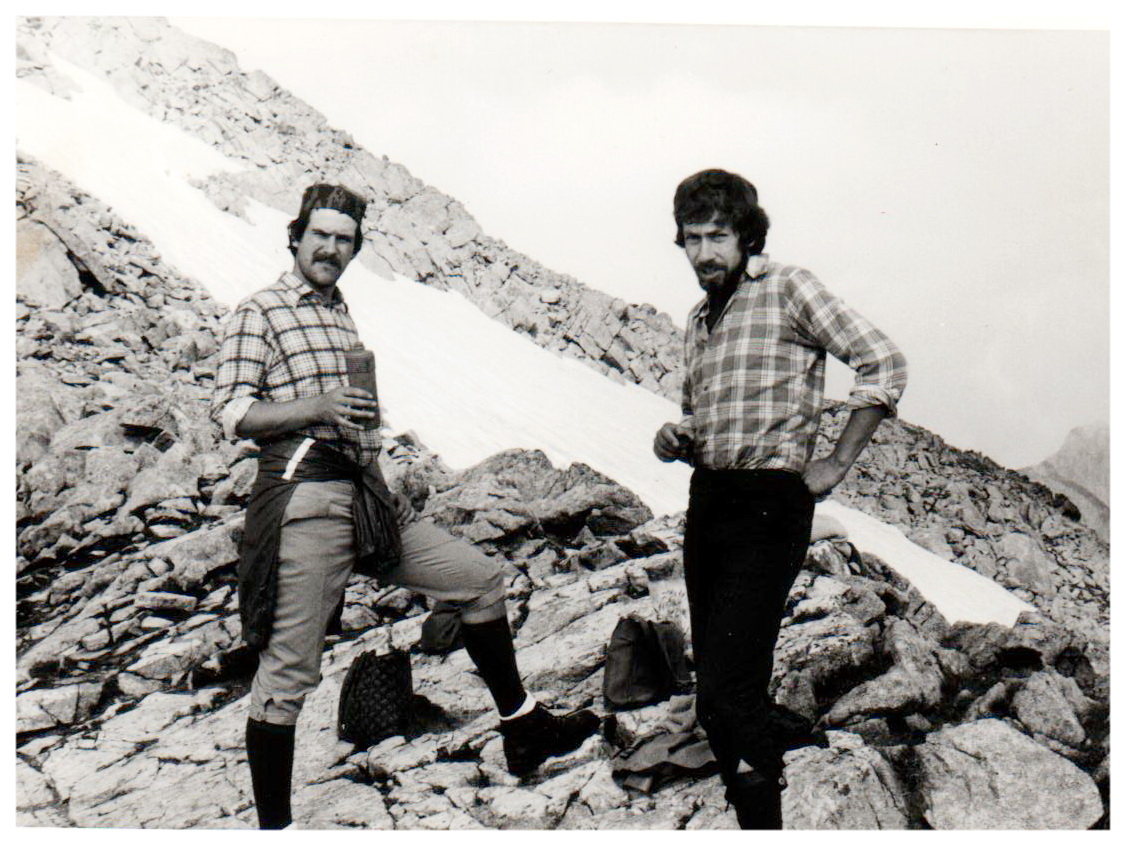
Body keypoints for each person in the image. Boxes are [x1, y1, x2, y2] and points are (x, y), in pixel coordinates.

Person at [212, 184, 598, 830]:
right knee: (288, 675)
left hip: (369, 493)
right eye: (320, 235)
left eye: (344, 240)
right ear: (296, 237)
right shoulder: (262, 310)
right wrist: (318, 407)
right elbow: (231, 412)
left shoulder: (338, 311)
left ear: (354, 248)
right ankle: (275, 832)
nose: (331, 248)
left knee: (478, 580)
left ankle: (523, 727)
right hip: (308, 500)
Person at [652, 169, 907, 829]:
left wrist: (837, 461)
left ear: (746, 236)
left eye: (718, 236)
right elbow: (697, 414)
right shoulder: (699, 319)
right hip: (710, 499)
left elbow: (883, 361)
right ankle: (766, 776)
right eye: (692, 239)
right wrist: (675, 437)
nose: (704, 252)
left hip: (770, 502)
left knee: (729, 691)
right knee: (718, 691)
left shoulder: (788, 287)